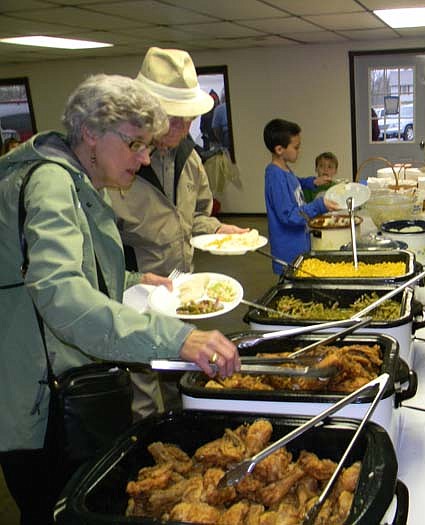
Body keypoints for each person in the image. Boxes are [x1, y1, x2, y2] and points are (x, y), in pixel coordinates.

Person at [0, 74, 241, 525]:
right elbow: (63, 297)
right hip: (39, 404)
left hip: (60, 388)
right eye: (134, 144)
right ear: (90, 132)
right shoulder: (51, 183)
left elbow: (71, 271)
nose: (145, 156)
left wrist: (131, 277)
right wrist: (178, 340)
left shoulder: (79, 180)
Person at [109, 47, 248, 277]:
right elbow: (97, 252)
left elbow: (193, 217)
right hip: (135, 295)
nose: (183, 131)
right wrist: (133, 282)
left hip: (180, 286)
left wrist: (217, 229)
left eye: (189, 120)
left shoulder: (189, 158)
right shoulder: (112, 168)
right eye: (174, 121)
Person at [263, 118, 340, 274]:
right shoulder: (275, 176)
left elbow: (295, 183)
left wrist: (314, 182)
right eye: (296, 147)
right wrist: (319, 205)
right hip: (288, 251)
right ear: (279, 149)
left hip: (299, 241)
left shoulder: (284, 169)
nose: (299, 150)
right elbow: (289, 216)